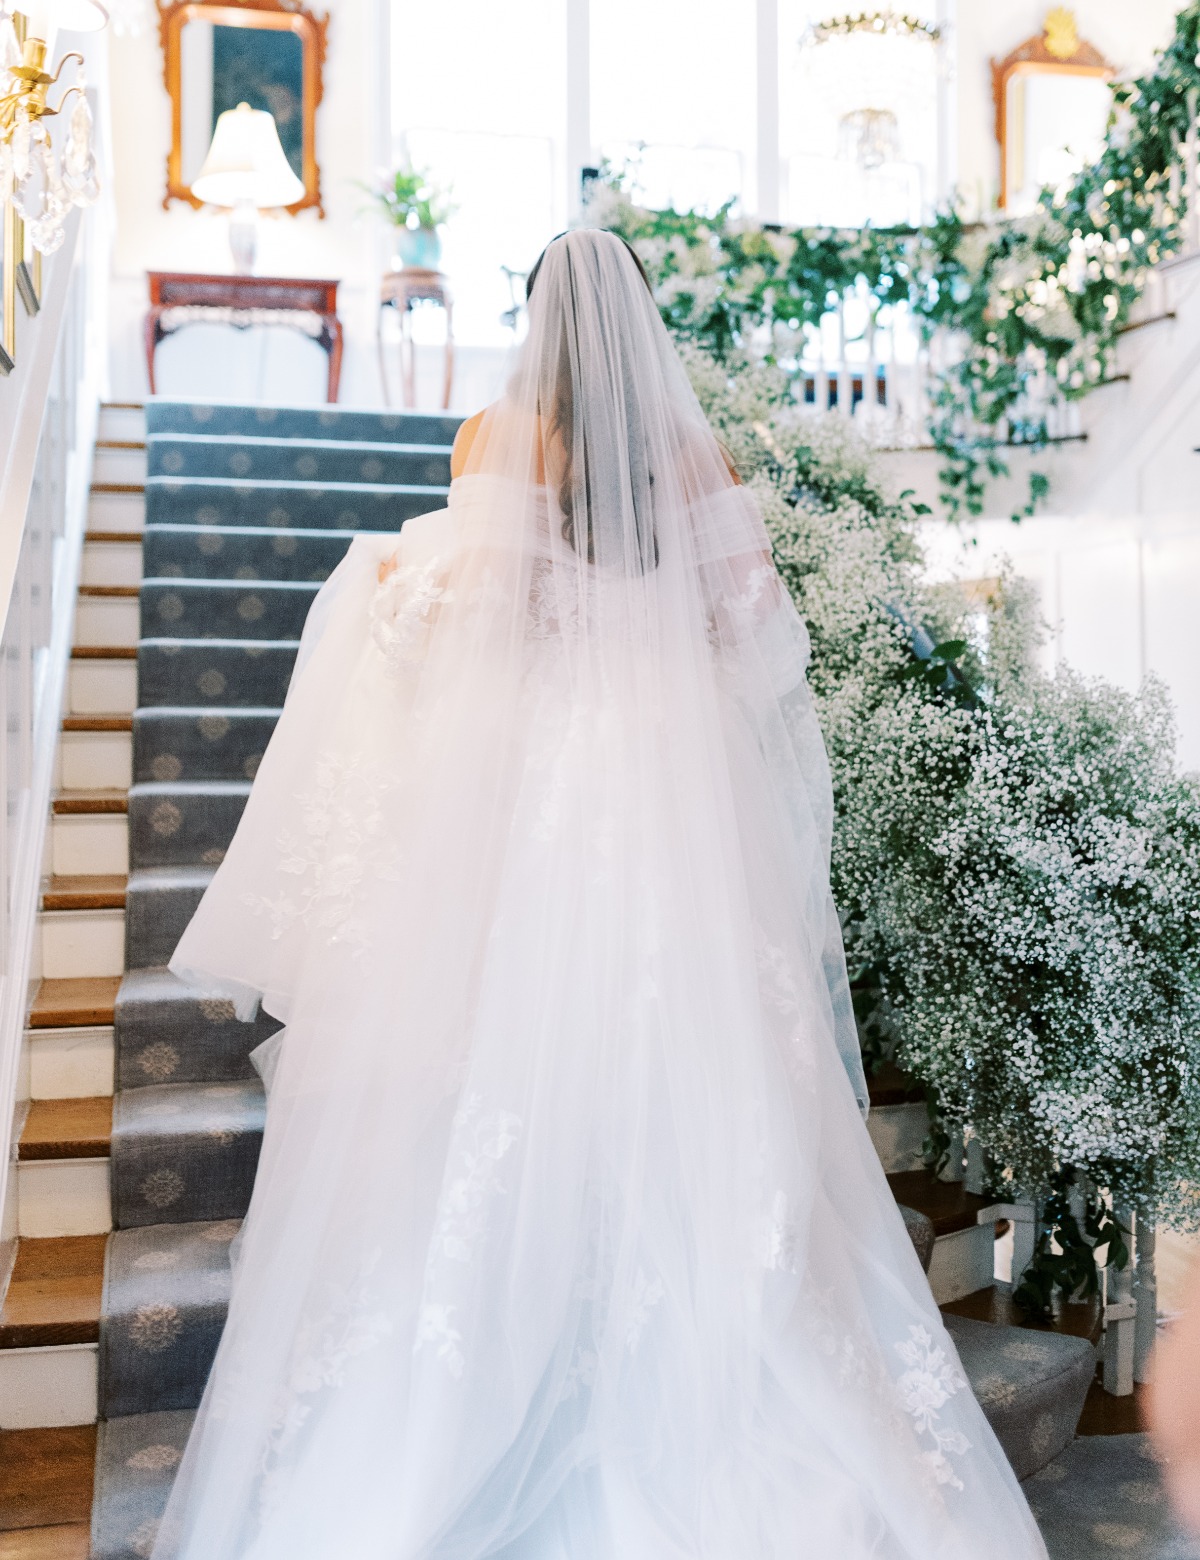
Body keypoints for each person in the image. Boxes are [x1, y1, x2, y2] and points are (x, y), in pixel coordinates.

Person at [153, 228, 1047, 1558]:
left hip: (541, 797)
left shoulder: (494, 439)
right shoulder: (697, 459)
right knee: (700, 1079)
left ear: (537, 325)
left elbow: (483, 628)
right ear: (640, 325)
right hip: (670, 793)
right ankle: (712, 1362)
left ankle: (508, 1356)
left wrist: (392, 596)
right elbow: (756, 641)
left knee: (512, 1065)